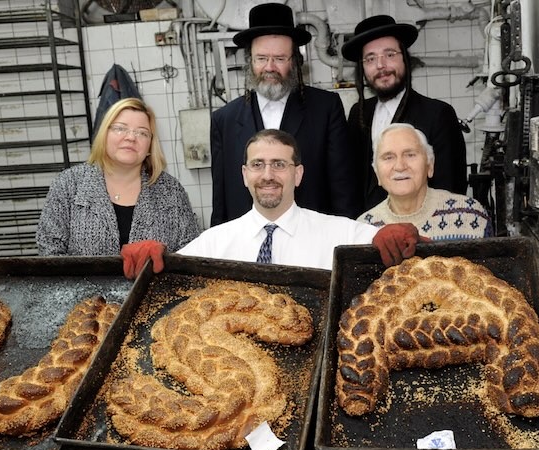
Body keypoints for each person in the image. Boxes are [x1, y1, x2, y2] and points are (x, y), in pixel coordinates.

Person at [121, 129, 423, 278]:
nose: (267, 175)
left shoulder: (340, 234)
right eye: (258, 165)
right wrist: (153, 259)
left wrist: (400, 237)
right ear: (245, 175)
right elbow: (169, 271)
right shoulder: (214, 243)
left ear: (298, 174)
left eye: (279, 164)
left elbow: (400, 248)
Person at [210, 2, 360, 227]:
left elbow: (343, 191)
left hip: (312, 238)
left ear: (295, 61)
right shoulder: (224, 120)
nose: (270, 67)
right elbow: (221, 204)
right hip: (246, 244)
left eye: (279, 58)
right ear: (250, 61)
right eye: (261, 58)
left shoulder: (325, 108)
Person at [36, 97, 200, 256]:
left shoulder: (171, 191)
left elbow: (191, 254)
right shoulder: (68, 184)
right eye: (120, 128)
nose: (131, 137)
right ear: (104, 135)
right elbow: (49, 251)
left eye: (142, 133)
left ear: (150, 145)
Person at [342, 15, 468, 212]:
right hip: (367, 227)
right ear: (363, 67)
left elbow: (450, 188)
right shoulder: (358, 113)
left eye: (390, 54)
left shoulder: (438, 114)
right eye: (371, 58)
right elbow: (353, 181)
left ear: (405, 60)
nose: (380, 65)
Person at [358, 123, 492, 240]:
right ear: (377, 172)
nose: (399, 166)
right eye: (388, 157)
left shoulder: (470, 215)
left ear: (430, 165)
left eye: (410, 155)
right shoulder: (363, 228)